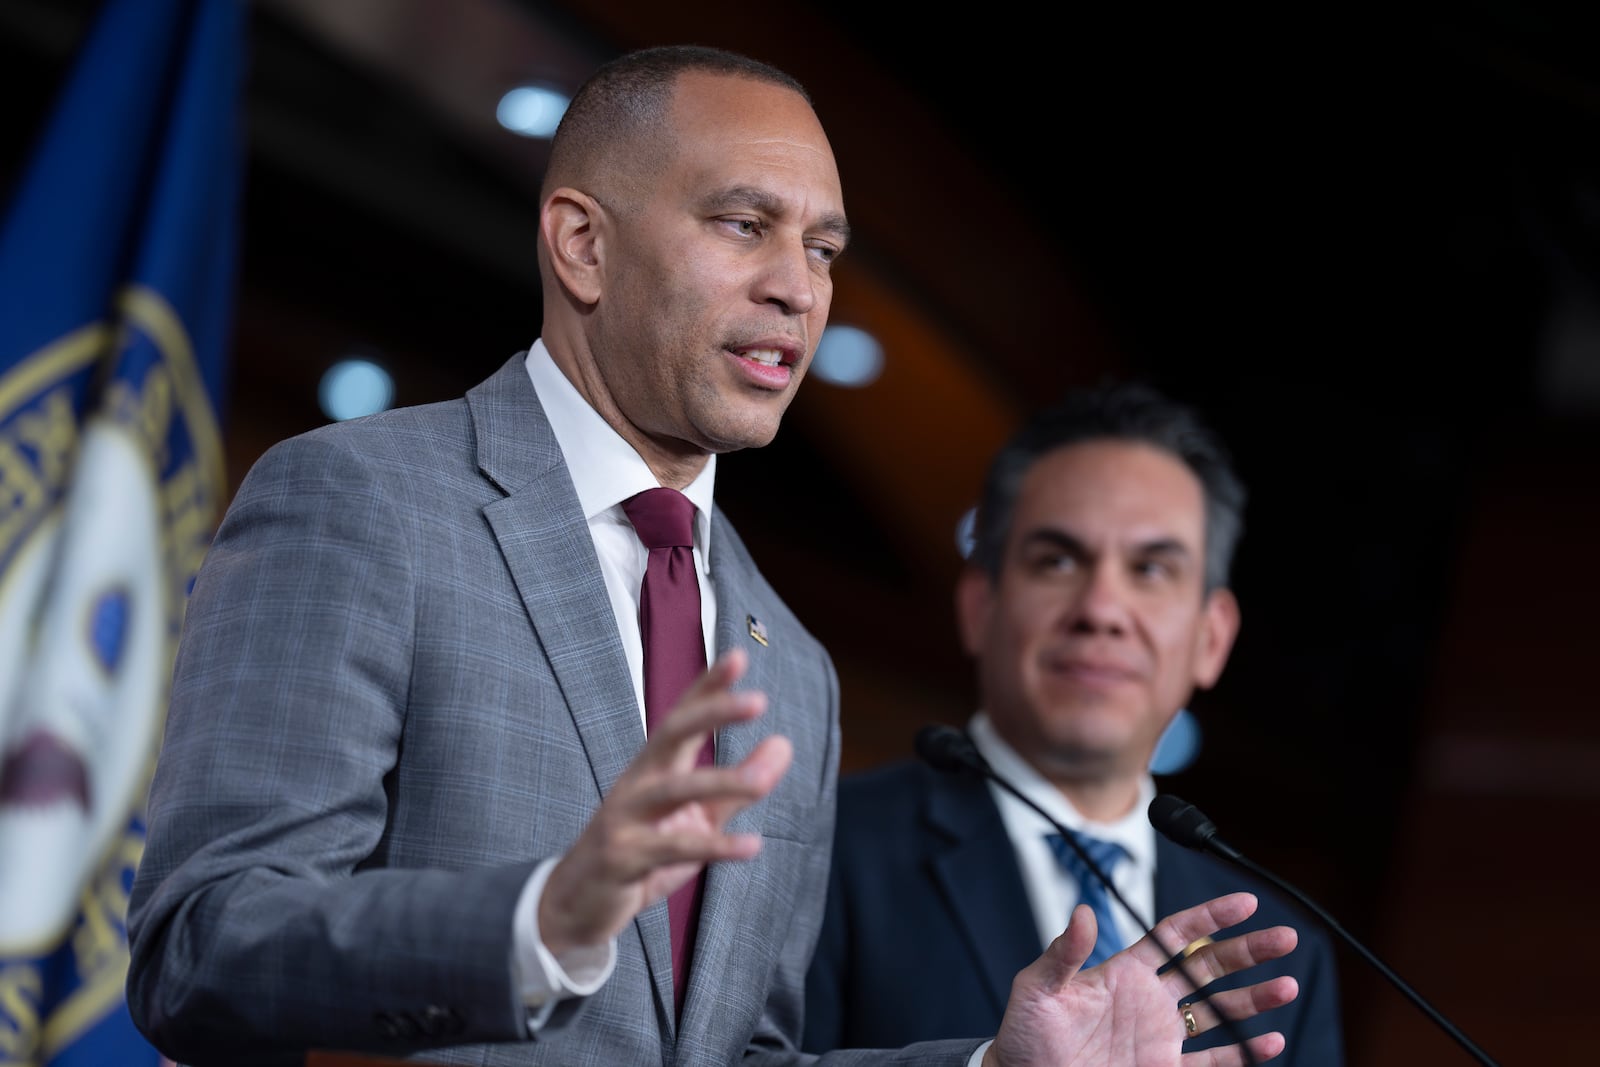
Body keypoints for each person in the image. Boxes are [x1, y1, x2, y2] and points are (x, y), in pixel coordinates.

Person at [126, 46, 1301, 1067]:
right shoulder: (364, 500)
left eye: (824, 247)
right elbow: (202, 945)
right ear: (583, 244)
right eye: (745, 224)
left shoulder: (789, 658)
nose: (798, 286)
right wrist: (538, 922)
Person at [802, 381, 1345, 1062]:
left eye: (1151, 568)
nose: (1101, 607)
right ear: (979, 606)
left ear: (1212, 636)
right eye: (1057, 560)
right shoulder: (817, 851)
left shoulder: (1282, 953)